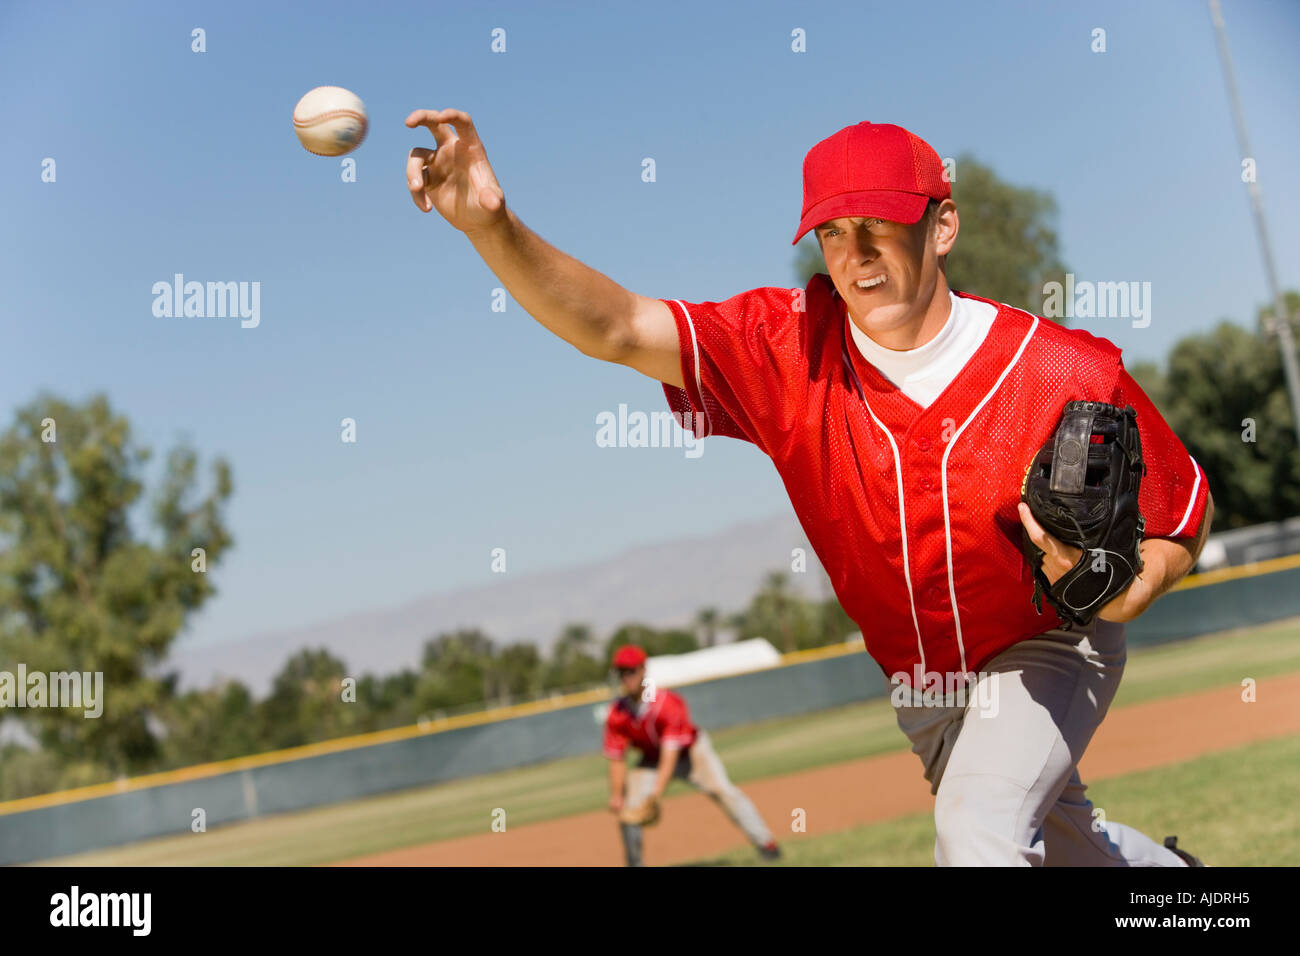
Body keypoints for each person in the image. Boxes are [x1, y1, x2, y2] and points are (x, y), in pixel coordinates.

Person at [404, 112, 1213, 866]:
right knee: (1067, 848)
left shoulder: (1061, 369)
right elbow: (617, 326)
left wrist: (1134, 589)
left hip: (1046, 644)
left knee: (975, 832)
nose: (855, 255)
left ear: (942, 224)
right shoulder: (785, 350)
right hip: (921, 679)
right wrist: (492, 229)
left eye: (878, 226)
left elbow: (1186, 508)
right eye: (832, 232)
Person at [601, 645, 779, 866]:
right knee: (629, 811)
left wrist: (655, 794)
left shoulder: (667, 703)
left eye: (631, 670)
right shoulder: (617, 712)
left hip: (691, 754)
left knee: (724, 791)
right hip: (651, 759)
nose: (626, 677)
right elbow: (617, 757)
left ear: (643, 670)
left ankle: (767, 845)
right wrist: (617, 795)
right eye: (622, 672)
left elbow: (670, 755)